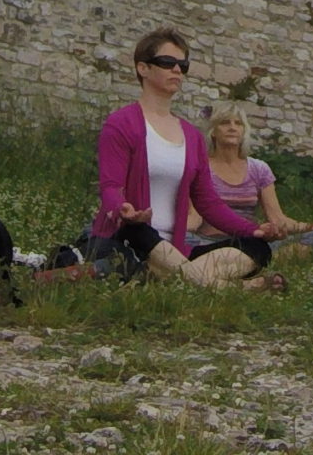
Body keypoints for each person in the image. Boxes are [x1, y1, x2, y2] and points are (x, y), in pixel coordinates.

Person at [92, 29, 283, 289]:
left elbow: (208, 202)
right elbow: (110, 187)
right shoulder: (121, 124)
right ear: (143, 68)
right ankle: (238, 288)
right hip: (133, 238)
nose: (177, 71)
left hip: (176, 249)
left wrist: (253, 230)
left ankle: (171, 280)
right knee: (137, 231)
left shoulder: (192, 136)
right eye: (167, 63)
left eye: (183, 65)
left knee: (256, 248)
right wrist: (125, 209)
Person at [192, 102, 313, 250]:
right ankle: (249, 262)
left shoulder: (258, 169)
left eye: (238, 123)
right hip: (209, 241)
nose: (232, 127)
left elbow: (277, 218)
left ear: (244, 131)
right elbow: (193, 217)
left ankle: (251, 261)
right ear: (213, 131)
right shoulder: (199, 166)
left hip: (249, 240)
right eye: (225, 123)